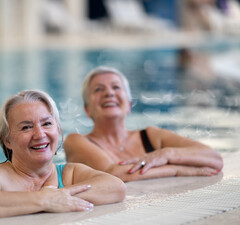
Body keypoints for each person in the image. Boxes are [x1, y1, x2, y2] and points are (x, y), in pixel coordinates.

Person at [0, 90, 126, 220]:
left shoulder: (70, 174)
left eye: (47, 124)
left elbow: (116, 187)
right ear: (7, 140)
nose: (40, 134)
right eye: (26, 127)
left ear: (57, 130)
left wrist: (57, 198)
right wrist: (43, 200)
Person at [63, 66, 223, 182]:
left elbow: (214, 159)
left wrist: (167, 154)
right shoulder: (75, 141)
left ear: (129, 104)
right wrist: (177, 169)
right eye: (98, 89)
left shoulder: (151, 136)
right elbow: (114, 175)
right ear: (87, 109)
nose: (109, 93)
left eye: (116, 87)